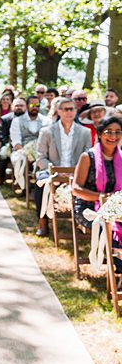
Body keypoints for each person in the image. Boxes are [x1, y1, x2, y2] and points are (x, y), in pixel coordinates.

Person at [72, 116, 122, 289]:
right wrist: (102, 197)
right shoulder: (88, 157)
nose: (113, 136)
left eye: (117, 132)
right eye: (109, 132)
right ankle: (119, 275)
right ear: (100, 134)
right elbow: (76, 188)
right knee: (108, 230)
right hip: (89, 209)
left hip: (117, 209)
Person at [34, 97, 92, 236]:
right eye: (65, 109)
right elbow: (40, 158)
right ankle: (42, 221)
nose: (69, 112)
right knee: (40, 182)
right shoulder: (47, 131)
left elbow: (89, 158)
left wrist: (76, 172)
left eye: (71, 109)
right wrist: (56, 171)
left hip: (76, 172)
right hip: (52, 171)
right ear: (58, 111)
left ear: (76, 111)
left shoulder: (85, 132)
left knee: (92, 183)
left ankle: (83, 220)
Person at [9, 95, 47, 190]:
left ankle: (42, 187)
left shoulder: (46, 120)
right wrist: (27, 154)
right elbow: (16, 141)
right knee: (21, 160)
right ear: (26, 106)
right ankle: (25, 187)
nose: (35, 107)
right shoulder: (17, 121)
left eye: (37, 105)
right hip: (22, 151)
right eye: (32, 105)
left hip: (42, 151)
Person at [0, 98, 27, 186]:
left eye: (21, 105)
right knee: (2, 155)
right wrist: (9, 144)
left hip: (26, 145)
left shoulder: (29, 119)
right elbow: (2, 135)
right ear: (12, 107)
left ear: (25, 107)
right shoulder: (5, 118)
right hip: (10, 144)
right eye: (16, 105)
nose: (19, 107)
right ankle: (1, 178)